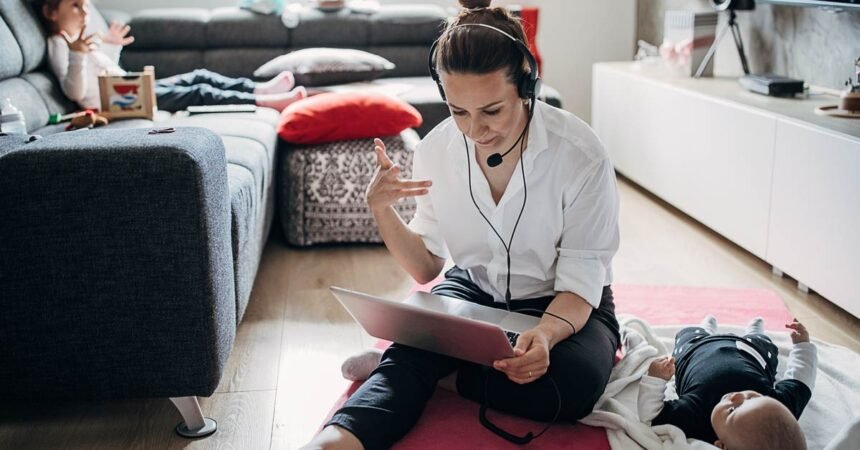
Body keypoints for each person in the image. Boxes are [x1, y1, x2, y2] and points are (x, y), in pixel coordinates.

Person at [303, 0, 621, 448]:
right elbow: (427, 269)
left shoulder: (581, 154)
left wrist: (545, 336)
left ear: (526, 85)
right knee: (413, 349)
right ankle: (336, 439)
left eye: (492, 111)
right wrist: (382, 211)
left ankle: (434, 369)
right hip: (473, 289)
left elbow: (581, 279)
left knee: (576, 387)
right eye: (458, 111)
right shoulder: (435, 150)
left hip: (565, 304)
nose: (475, 130)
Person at [36, 0, 306, 112]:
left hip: (129, 89)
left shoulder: (81, 44)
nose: (84, 11)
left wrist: (112, 47)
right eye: (74, 5)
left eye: (84, 5)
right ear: (51, 12)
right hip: (121, 103)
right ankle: (265, 101)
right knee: (198, 91)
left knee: (199, 76)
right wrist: (77, 55)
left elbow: (108, 71)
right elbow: (76, 91)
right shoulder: (60, 46)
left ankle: (259, 88)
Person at [637, 316, 817, 450]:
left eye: (732, 410)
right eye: (753, 398)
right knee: (763, 342)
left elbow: (651, 415)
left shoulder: (695, 418)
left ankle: (706, 327)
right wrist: (803, 346)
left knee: (687, 334)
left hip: (695, 349)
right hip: (751, 349)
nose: (738, 395)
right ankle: (756, 330)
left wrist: (655, 379)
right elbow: (802, 380)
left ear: (721, 445)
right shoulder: (777, 408)